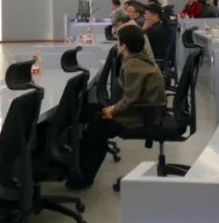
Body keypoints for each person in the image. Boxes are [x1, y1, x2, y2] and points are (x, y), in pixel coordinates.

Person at [71, 25, 166, 188]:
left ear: (124, 46)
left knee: (97, 126)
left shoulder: (133, 66)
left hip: (142, 115)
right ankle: (79, 170)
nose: (116, 45)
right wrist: (113, 108)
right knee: (92, 114)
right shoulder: (141, 59)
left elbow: (131, 99)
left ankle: (84, 177)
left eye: (118, 42)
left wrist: (113, 110)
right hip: (145, 109)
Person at [143, 2, 173, 71]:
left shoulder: (154, 30)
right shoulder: (162, 25)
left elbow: (138, 41)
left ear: (155, 15)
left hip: (153, 58)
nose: (145, 17)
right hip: (161, 58)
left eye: (146, 14)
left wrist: (143, 29)